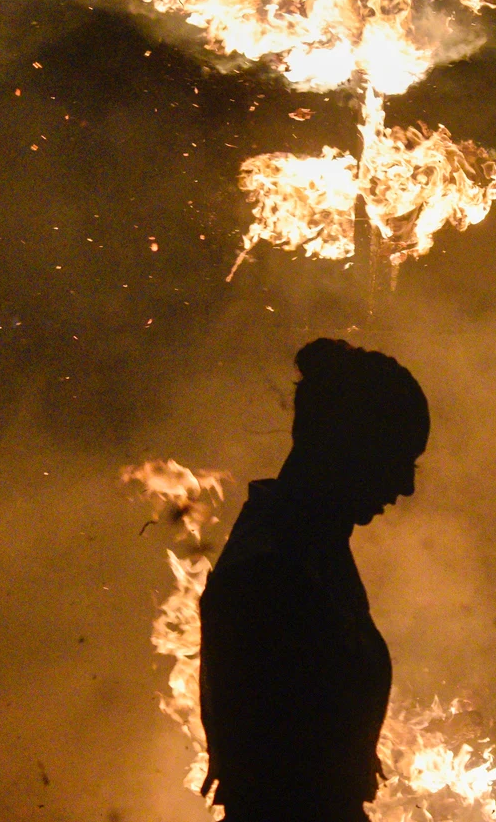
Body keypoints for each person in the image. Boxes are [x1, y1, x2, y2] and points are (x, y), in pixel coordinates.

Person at [199, 338, 428, 822]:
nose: (406, 485)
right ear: (350, 449)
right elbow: (282, 785)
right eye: (399, 457)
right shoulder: (275, 569)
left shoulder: (307, 546)